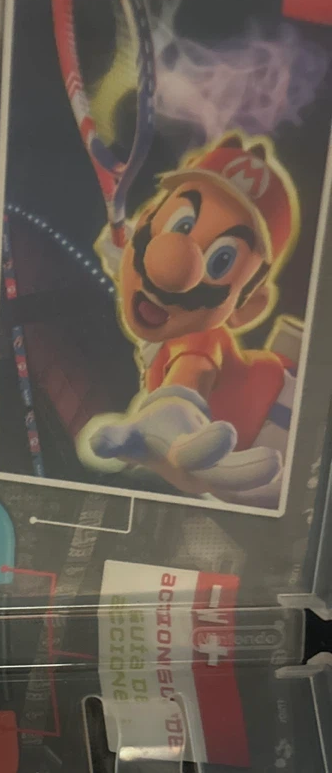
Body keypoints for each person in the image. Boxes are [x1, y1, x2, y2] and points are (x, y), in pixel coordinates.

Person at [81, 133, 301, 506]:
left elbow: (190, 380)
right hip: (254, 464)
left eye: (221, 260)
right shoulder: (155, 287)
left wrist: (169, 427)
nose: (171, 268)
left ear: (248, 305)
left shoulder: (201, 337)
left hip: (283, 420)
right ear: (147, 219)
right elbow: (142, 264)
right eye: (181, 226)